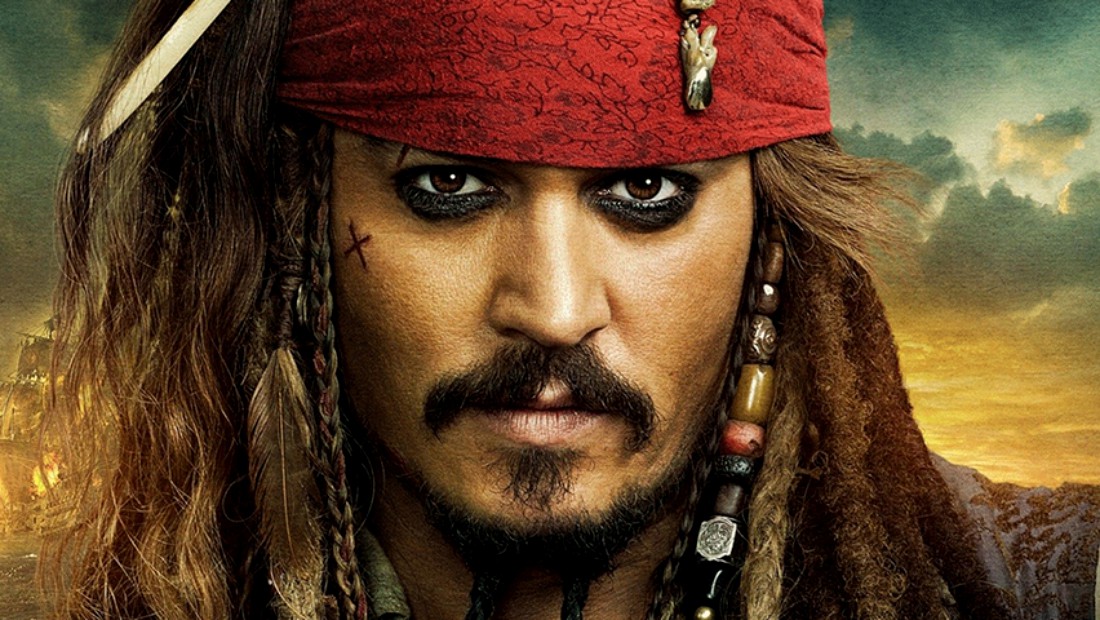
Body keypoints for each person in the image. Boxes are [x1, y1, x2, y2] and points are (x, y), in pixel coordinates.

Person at [43, 0, 1099, 619]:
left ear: (772, 230)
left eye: (645, 190)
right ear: (292, 216)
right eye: (448, 185)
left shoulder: (1053, 586)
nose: (552, 310)